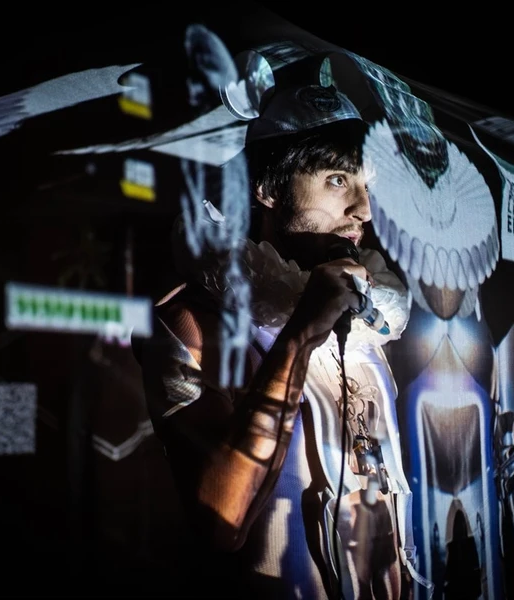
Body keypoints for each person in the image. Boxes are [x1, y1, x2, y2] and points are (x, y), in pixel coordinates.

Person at [135, 82, 417, 599]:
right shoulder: (193, 321)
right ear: (267, 188)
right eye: (337, 180)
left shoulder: (364, 325)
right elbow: (221, 524)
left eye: (366, 185)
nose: (363, 210)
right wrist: (301, 334)